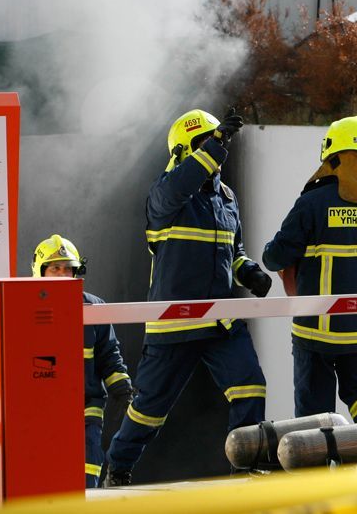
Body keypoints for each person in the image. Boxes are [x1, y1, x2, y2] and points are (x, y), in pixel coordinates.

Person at [104, 109, 271, 486]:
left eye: (219, 141)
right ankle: (118, 468)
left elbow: (235, 250)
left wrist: (249, 271)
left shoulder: (226, 198)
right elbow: (183, 182)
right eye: (206, 143)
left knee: (251, 387)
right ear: (182, 151)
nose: (218, 151)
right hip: (174, 325)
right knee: (149, 409)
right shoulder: (167, 195)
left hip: (220, 323)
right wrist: (214, 145)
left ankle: (247, 468)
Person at [262, 115, 357, 426]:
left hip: (316, 333)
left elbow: (274, 258)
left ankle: (321, 472)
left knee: (315, 421)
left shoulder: (311, 205)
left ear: (331, 156)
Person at [31, 234, 132, 488]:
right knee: (44, 473)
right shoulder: (23, 306)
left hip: (86, 406)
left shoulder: (93, 306)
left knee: (88, 470)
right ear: (40, 271)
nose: (64, 275)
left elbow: (109, 353)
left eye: (69, 269)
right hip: (42, 407)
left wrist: (121, 387)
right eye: (55, 269)